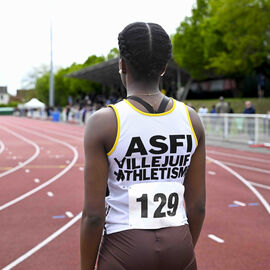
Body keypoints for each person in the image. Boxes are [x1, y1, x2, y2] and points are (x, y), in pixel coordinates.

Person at [81, 22, 206, 270]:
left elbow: (94, 216)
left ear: (123, 65)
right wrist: (181, 247)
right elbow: (198, 206)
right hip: (179, 243)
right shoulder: (192, 118)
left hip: (123, 247)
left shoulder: (103, 122)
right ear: (163, 67)